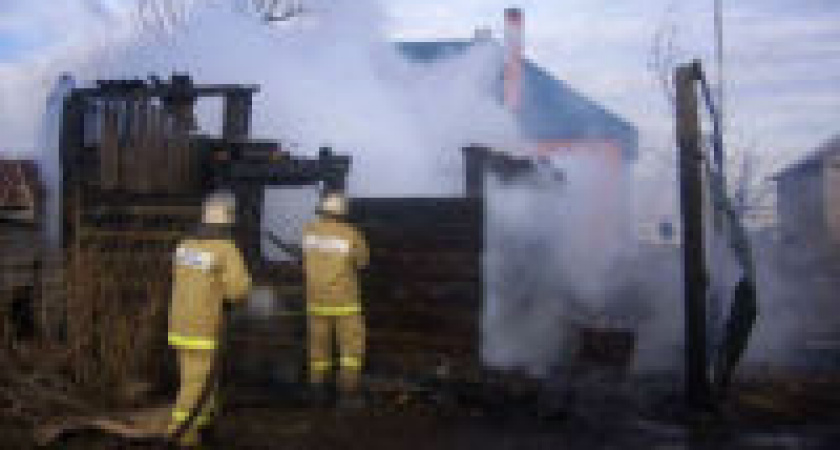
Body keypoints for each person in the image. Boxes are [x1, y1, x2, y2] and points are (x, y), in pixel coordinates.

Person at [168, 191, 252, 447]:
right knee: (195, 384)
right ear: (229, 217)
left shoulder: (184, 245)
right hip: (203, 328)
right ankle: (181, 435)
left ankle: (203, 424)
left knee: (200, 379)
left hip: (179, 325)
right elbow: (238, 290)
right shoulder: (226, 249)